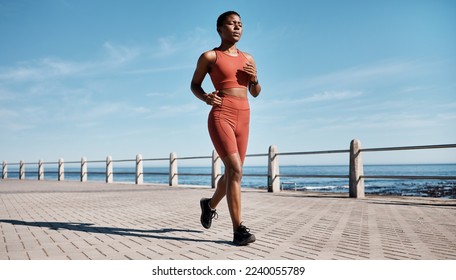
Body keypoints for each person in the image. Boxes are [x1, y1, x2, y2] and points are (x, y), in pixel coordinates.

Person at [190, 11, 261, 246]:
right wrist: (205, 98)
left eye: (240, 24)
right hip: (222, 115)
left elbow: (256, 92)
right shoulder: (210, 56)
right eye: (232, 24)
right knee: (236, 170)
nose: (237, 28)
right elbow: (195, 85)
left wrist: (255, 79)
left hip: (245, 116)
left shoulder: (248, 58)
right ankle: (238, 230)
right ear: (220, 29)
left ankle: (208, 205)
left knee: (233, 173)